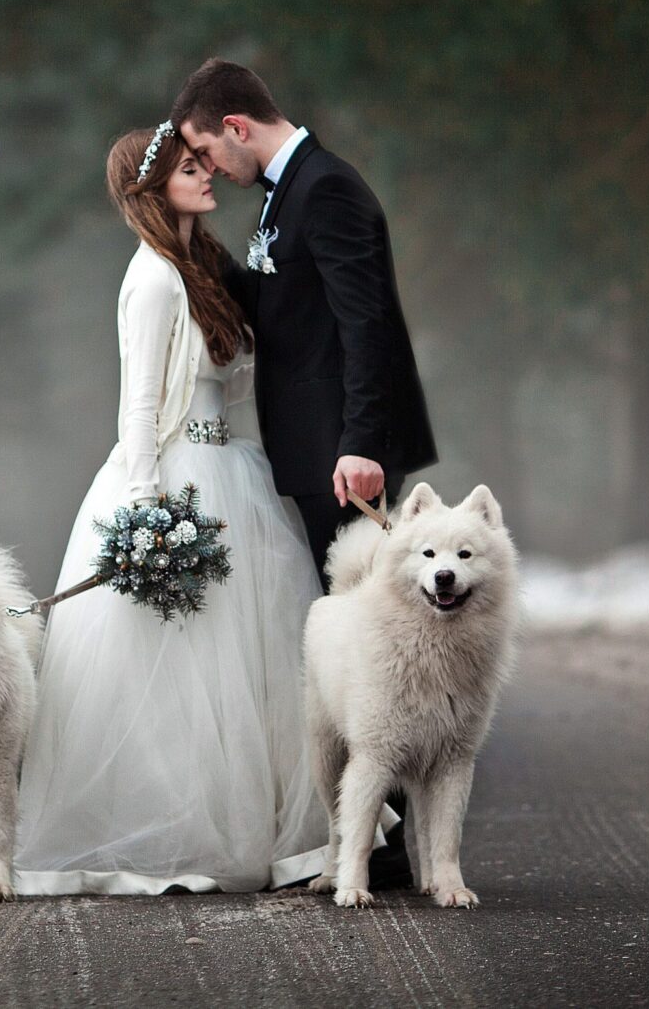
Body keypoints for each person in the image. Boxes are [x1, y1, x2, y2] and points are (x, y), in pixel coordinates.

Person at [11, 124, 333, 894]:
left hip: (231, 470)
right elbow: (141, 403)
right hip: (176, 479)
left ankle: (266, 828)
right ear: (152, 189)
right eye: (191, 168)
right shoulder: (153, 278)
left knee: (249, 661)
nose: (208, 174)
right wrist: (148, 509)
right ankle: (177, 836)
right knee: (180, 667)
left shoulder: (202, 269)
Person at [172, 58, 438, 890]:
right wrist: (195, 254)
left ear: (237, 128)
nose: (210, 168)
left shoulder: (325, 188)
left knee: (377, 645)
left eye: (207, 151)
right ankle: (372, 835)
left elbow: (367, 324)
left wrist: (361, 442)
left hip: (344, 456)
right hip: (316, 448)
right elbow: (288, 304)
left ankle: (386, 848)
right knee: (357, 643)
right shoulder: (286, 195)